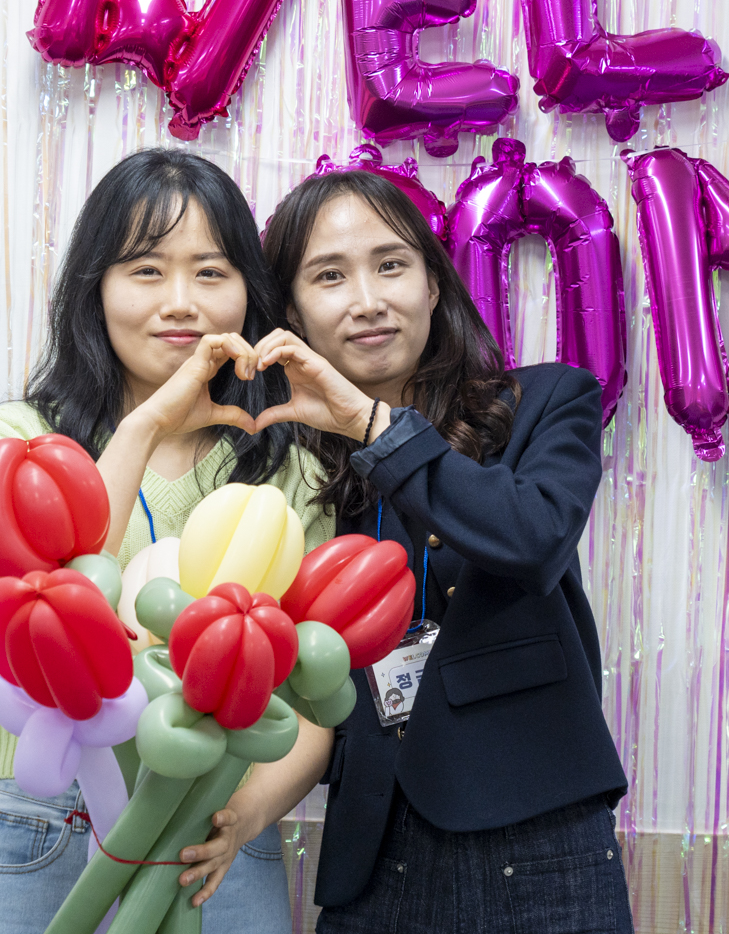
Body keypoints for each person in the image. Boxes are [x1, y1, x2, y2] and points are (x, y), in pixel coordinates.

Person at [181, 170, 632, 932]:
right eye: (329, 276)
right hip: (373, 854)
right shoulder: (290, 466)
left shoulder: (546, 402)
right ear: (291, 312)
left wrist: (374, 428)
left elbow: (533, 539)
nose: (367, 300)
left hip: (539, 839)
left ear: (433, 283)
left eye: (390, 265)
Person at [0, 148, 334, 934]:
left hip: (217, 829)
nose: (180, 303)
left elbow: (314, 688)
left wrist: (247, 816)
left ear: (249, 294)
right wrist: (148, 423)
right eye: (146, 270)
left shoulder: (289, 468)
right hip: (48, 816)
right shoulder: (18, 441)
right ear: (96, 287)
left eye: (211, 272)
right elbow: (40, 614)